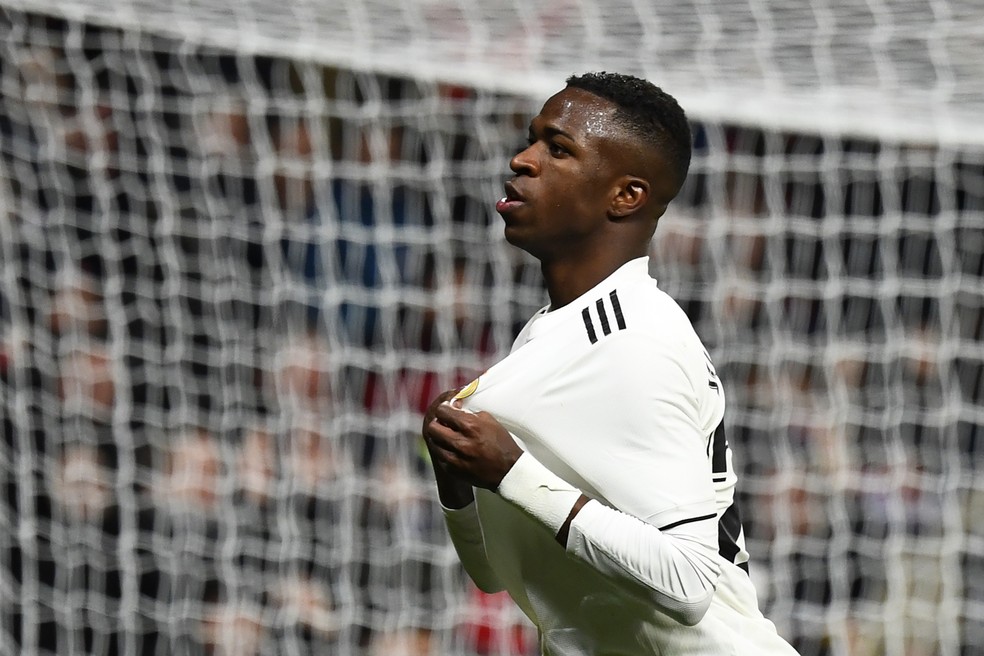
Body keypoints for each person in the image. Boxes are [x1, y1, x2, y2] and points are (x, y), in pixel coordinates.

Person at [421, 72, 799, 655]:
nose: (522, 160)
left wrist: (510, 472)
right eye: (531, 139)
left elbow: (689, 582)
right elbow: (493, 575)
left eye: (559, 149)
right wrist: (458, 481)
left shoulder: (636, 338)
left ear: (626, 195)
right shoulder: (555, 333)